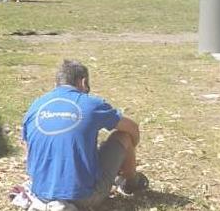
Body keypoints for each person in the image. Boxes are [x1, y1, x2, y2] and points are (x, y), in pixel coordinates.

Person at [21, 60, 148, 210]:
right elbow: (132, 128)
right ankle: (131, 183)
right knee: (123, 137)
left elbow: (28, 150)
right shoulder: (91, 104)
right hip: (83, 197)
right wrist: (127, 153)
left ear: (56, 84)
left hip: (40, 193)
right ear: (83, 82)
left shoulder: (36, 106)